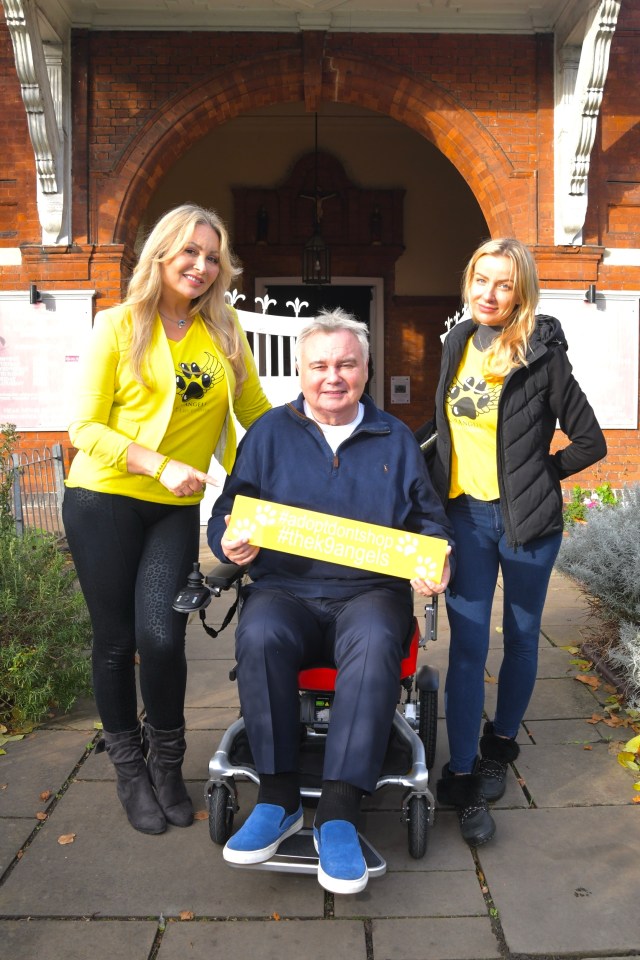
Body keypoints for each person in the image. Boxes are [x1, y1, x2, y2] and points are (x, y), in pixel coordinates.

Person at [208, 308, 454, 895]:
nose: (332, 376)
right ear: (300, 371)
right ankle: (278, 798)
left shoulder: (394, 437)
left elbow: (427, 520)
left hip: (368, 591)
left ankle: (340, 811)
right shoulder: (268, 434)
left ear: (366, 369)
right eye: (319, 365)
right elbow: (229, 511)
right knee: (260, 633)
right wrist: (229, 541)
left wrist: (434, 560)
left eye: (346, 363)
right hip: (284, 589)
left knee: (373, 642)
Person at [62, 203, 271, 836]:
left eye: (213, 258)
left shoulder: (226, 329)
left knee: (162, 637)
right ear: (162, 255)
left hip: (174, 511)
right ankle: (130, 770)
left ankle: (167, 763)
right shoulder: (119, 325)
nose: (203, 267)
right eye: (191, 254)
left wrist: (303, 459)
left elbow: (254, 415)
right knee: (117, 641)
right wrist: (157, 465)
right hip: (103, 500)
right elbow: (84, 429)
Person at [416, 237, 607, 846]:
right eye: (480, 280)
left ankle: (502, 742)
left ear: (520, 289)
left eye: (502, 284)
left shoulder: (543, 355)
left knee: (522, 637)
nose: (489, 294)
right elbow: (444, 428)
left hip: (527, 526)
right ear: (467, 283)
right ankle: (465, 768)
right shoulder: (454, 343)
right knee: (466, 647)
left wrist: (539, 476)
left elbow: (589, 440)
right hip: (466, 520)